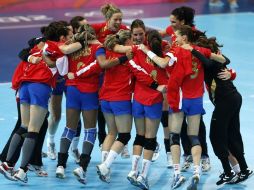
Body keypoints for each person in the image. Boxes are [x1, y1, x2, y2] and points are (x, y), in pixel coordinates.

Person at [140, 25, 226, 189]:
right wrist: (226, 71)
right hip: (195, 99)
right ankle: (196, 171)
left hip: (178, 98)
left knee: (174, 136)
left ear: (184, 38)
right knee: (194, 136)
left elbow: (163, 64)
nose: (174, 39)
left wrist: (145, 50)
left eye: (176, 37)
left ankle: (177, 174)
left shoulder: (176, 51)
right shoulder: (200, 50)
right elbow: (221, 59)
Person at [182, 35, 253, 185]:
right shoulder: (217, 58)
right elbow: (225, 61)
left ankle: (228, 172)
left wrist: (193, 50)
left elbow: (209, 63)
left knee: (216, 137)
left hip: (225, 102)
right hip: (233, 98)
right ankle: (244, 169)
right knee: (232, 135)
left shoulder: (212, 61)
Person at [160, 6, 211, 172]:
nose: (170, 26)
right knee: (179, 124)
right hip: (178, 88)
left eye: (173, 22)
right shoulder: (173, 31)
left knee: (197, 125)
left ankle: (203, 157)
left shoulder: (195, 36)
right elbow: (160, 34)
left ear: (182, 22)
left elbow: (208, 55)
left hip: (192, 87)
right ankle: (188, 155)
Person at [91, 3, 130, 158]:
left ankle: (119, 143)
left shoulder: (125, 30)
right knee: (103, 108)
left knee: (115, 107)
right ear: (108, 18)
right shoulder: (98, 28)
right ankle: (104, 141)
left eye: (121, 19)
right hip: (101, 72)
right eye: (116, 19)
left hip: (118, 71)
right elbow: (81, 35)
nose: (119, 22)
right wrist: (97, 44)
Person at [131, 19, 171, 165]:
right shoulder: (133, 49)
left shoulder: (157, 44)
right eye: (135, 35)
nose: (138, 37)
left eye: (140, 34)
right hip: (144, 95)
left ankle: (169, 155)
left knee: (166, 121)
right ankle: (152, 148)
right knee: (145, 134)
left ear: (145, 32)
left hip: (162, 91)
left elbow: (166, 59)